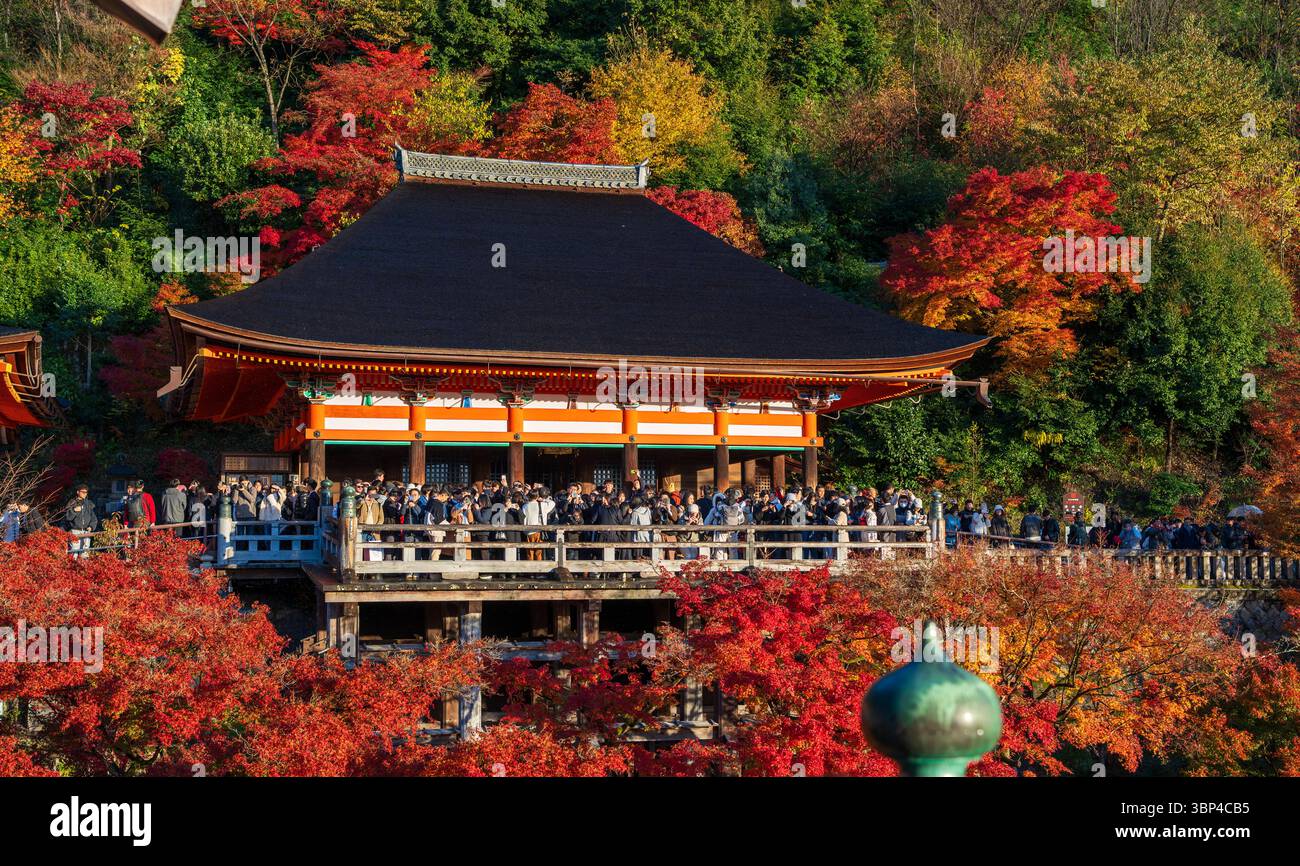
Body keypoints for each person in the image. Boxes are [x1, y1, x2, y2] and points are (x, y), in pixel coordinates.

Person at [65, 484, 98, 556]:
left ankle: (83, 567)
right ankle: (72, 567)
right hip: (75, 531)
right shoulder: (72, 502)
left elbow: (94, 518)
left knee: (85, 553)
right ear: (78, 492)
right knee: (74, 552)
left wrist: (91, 527)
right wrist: (74, 511)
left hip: (86, 531)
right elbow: (67, 517)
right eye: (83, 492)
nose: (85, 494)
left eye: (86, 492)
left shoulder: (88, 503)